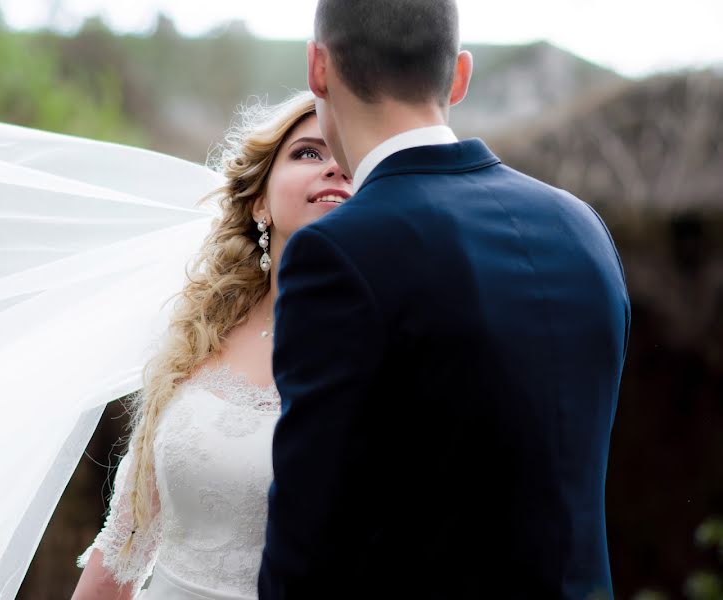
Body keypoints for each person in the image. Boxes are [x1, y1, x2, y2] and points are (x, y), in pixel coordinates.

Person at [259, 1, 631, 599]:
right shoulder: (582, 227)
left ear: (318, 69)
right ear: (459, 75)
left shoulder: (338, 251)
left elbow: (309, 548)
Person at [72, 92, 352, 600]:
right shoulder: (196, 335)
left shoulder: (395, 350)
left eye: (352, 159)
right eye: (309, 153)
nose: (334, 167)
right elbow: (122, 545)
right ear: (259, 202)